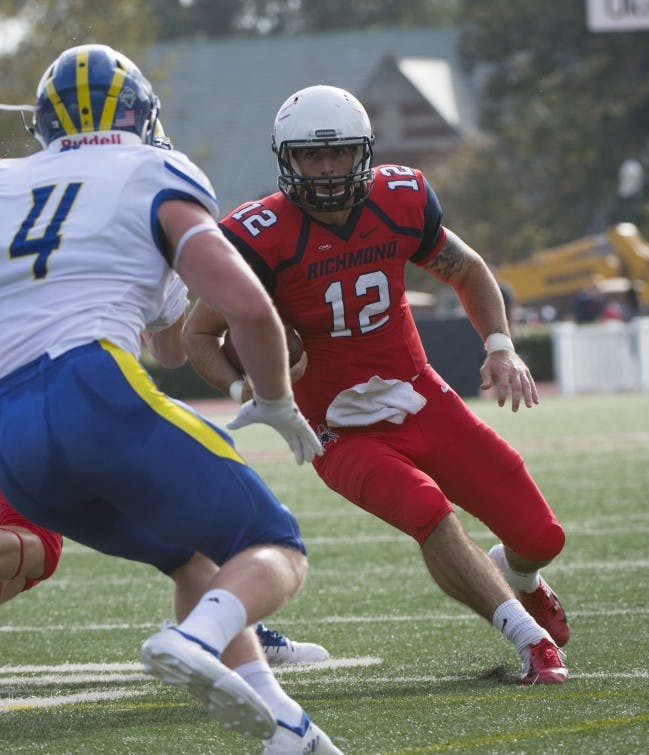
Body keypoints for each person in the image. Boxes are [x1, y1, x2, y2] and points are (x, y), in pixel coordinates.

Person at [0, 44, 339, 753]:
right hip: (93, 388)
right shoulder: (156, 170)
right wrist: (277, 398)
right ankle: (192, 637)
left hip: (8, 433)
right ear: (141, 115)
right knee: (274, 543)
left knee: (191, 556)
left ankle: (283, 726)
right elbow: (246, 307)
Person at [183, 85, 570, 686]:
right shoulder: (260, 233)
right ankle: (531, 640)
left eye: (339, 153)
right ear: (288, 161)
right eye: (313, 157)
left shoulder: (401, 198)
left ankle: (519, 578)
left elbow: (466, 270)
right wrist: (250, 394)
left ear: (363, 151)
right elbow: (198, 335)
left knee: (541, 536)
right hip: (338, 429)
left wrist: (501, 348)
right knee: (427, 511)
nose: (329, 168)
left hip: (421, 398)